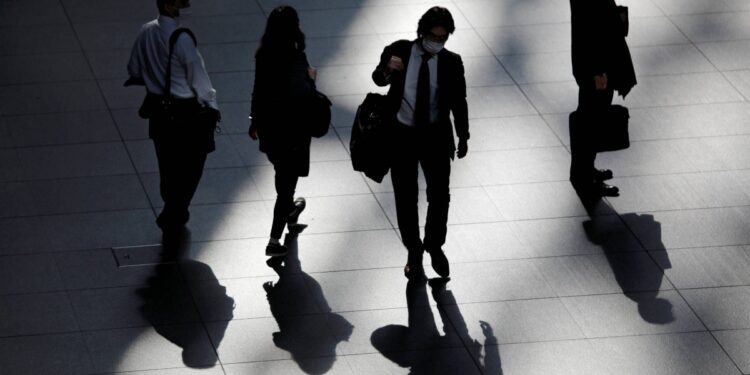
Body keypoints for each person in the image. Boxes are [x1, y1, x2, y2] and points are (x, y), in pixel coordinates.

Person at [372, 6, 469, 279]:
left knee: (440, 196)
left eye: (442, 38)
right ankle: (414, 250)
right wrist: (388, 70)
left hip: (435, 137)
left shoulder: (452, 62)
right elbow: (378, 79)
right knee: (406, 198)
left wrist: (463, 134)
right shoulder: (400, 50)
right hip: (402, 136)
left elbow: (458, 101)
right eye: (433, 36)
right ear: (422, 32)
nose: (437, 42)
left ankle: (434, 245)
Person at [126, 0, 219, 235]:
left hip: (159, 111)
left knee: (166, 162)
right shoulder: (182, 39)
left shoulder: (146, 31)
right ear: (169, 5)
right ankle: (177, 208)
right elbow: (199, 78)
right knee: (193, 163)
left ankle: (172, 205)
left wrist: (153, 77)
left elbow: (134, 68)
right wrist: (213, 108)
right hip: (186, 112)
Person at [249, 6, 314, 257]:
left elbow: (258, 89)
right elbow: (301, 92)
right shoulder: (295, 56)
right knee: (287, 184)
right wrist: (312, 78)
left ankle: (289, 211)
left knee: (282, 173)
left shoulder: (263, 54)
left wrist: (254, 120)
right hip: (292, 128)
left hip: (270, 127)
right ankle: (274, 240)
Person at [569, 0, 636, 199]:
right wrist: (597, 71)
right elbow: (589, 28)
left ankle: (586, 170)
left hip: (598, 64)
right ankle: (583, 175)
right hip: (597, 67)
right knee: (592, 117)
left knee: (593, 115)